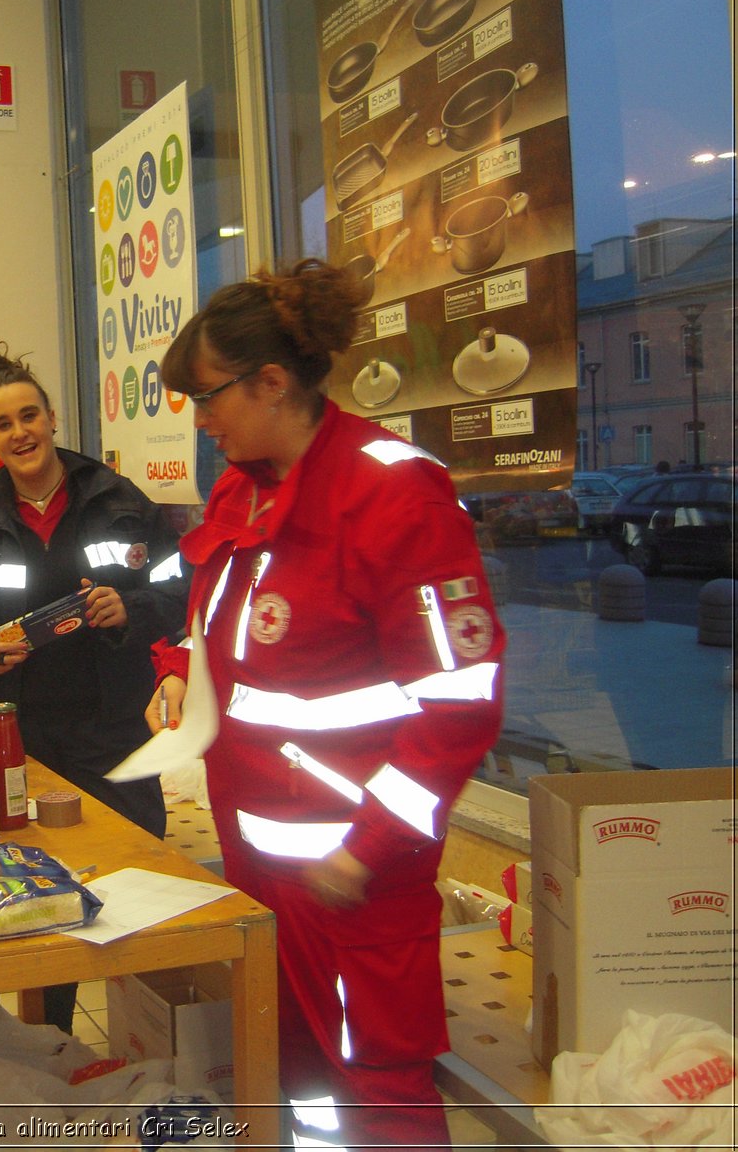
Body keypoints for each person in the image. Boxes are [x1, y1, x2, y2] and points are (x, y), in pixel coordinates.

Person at [145, 259, 505, 1150]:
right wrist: (179, 670)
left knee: (378, 1098)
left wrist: (365, 852)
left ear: (272, 383)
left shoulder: (391, 493)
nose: (201, 420)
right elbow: (219, 620)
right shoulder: (245, 482)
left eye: (209, 397)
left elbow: (459, 705)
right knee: (295, 1085)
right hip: (262, 869)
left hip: (353, 885)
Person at [0, 346, 188, 1030]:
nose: (20, 432)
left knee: (135, 894)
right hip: (17, 741)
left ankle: (144, 1040)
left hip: (112, 735)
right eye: (2, 424)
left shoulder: (119, 504)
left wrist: (133, 611)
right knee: (19, 896)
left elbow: (179, 583)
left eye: (29, 415)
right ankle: (47, 1037)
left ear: (52, 417)